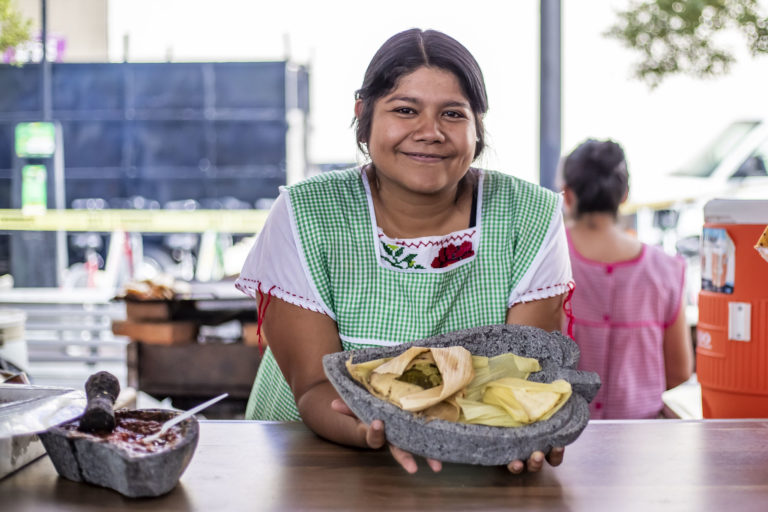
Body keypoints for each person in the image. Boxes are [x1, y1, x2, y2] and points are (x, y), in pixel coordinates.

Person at [236, 28, 573, 473]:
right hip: (314, 460)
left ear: (478, 127)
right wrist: (379, 428)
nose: (429, 132)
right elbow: (315, 386)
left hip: (466, 468)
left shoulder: (530, 215)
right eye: (405, 110)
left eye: (453, 114)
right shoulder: (305, 213)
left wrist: (526, 429)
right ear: (364, 115)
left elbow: (520, 378)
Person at [560, 139, 694, 419]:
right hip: (641, 441)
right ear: (624, 195)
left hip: (565, 440)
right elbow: (679, 373)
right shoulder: (666, 270)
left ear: (568, 195)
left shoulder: (551, 261)